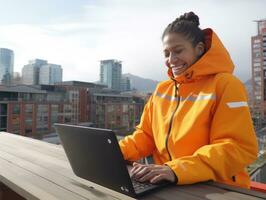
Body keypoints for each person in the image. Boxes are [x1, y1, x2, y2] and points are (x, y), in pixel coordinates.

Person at [119, 11, 258, 189]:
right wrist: (114, 152)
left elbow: (236, 147)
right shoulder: (163, 89)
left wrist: (177, 170)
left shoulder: (225, 84)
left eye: (178, 51)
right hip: (167, 183)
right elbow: (145, 136)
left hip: (217, 188)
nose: (171, 60)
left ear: (199, 49)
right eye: (166, 53)